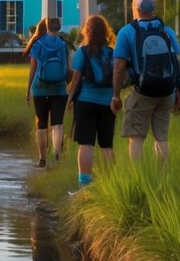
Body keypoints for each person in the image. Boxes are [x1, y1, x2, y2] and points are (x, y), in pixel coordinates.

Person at [112, 0, 180, 161]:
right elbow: (175, 60)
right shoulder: (167, 30)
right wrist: (175, 88)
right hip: (166, 92)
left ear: (136, 9)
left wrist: (116, 95)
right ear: (154, 9)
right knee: (161, 138)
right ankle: (163, 174)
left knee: (136, 137)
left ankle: (138, 174)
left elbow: (119, 66)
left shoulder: (127, 31)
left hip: (142, 92)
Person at [67, 14, 116, 188]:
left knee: (86, 145)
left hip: (85, 102)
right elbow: (119, 76)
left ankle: (84, 186)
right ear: (105, 32)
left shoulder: (82, 52)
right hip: (108, 103)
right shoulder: (112, 53)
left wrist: (69, 100)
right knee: (107, 146)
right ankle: (111, 184)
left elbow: (76, 80)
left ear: (87, 31)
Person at [26, 17, 68, 167]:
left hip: (40, 88)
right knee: (58, 124)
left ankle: (42, 159)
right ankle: (57, 155)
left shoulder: (38, 43)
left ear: (45, 26)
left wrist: (28, 90)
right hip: (59, 88)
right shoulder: (63, 43)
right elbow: (67, 65)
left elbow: (33, 67)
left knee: (42, 124)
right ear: (58, 27)